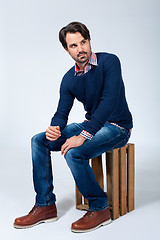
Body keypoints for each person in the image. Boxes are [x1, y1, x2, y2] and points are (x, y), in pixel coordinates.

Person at [13, 21, 133, 233]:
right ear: (66, 49)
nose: (81, 49)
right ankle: (45, 205)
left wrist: (84, 135)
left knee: (74, 152)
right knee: (38, 141)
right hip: (91, 125)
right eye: (74, 46)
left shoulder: (110, 62)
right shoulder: (68, 79)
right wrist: (55, 128)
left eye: (83, 42)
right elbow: (61, 113)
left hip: (117, 127)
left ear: (89, 40)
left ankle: (99, 207)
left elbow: (110, 101)